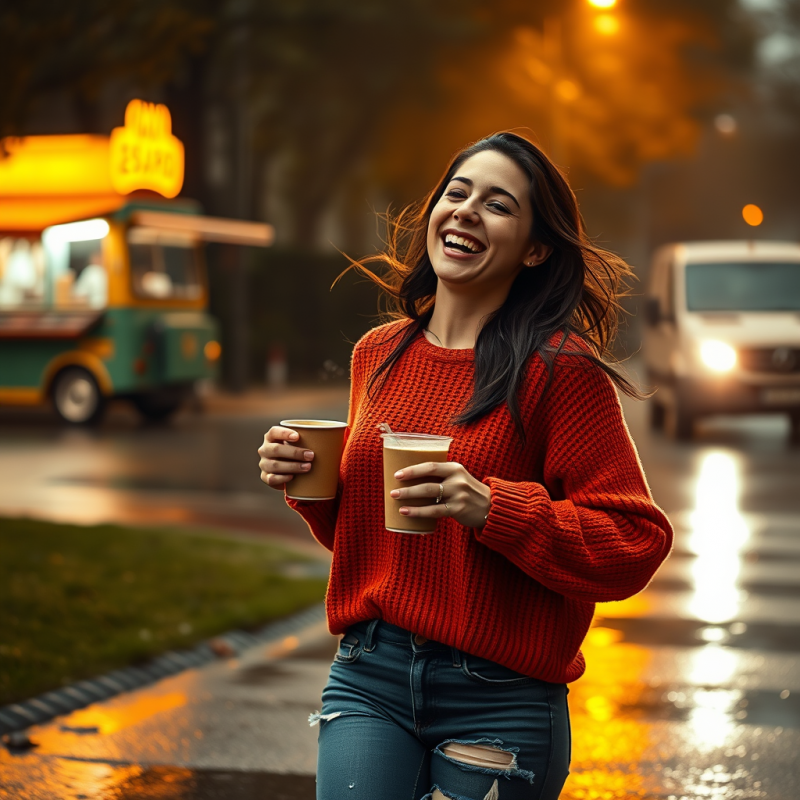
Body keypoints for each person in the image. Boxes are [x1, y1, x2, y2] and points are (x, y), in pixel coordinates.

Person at [258, 132, 673, 800]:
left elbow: (634, 544)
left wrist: (491, 507)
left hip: (500, 693)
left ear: (535, 249)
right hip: (371, 673)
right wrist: (306, 483)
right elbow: (374, 541)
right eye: (457, 192)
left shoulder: (560, 370)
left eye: (499, 204)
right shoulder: (379, 353)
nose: (467, 210)